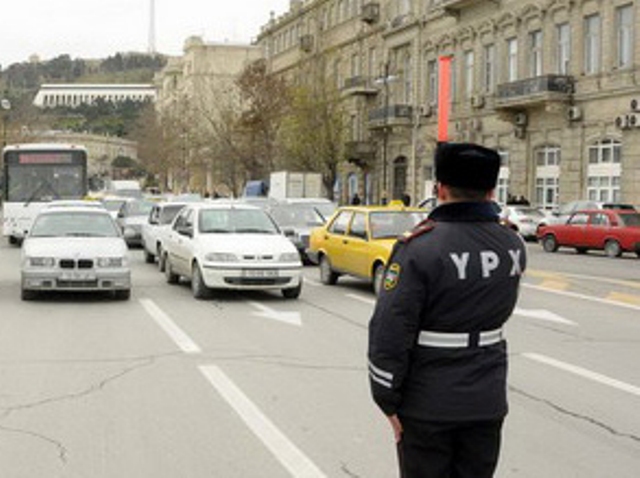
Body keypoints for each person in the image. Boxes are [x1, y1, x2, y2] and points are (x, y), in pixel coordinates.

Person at [368, 142, 527, 478]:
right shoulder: (511, 244)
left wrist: (386, 398)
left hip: (428, 404)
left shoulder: (419, 246)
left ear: (440, 188)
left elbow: (390, 330)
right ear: (491, 190)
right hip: (487, 399)